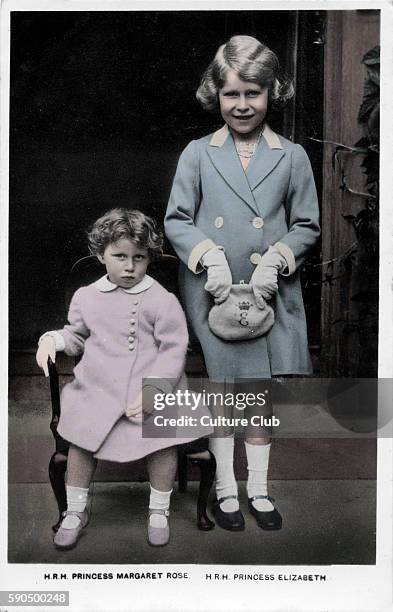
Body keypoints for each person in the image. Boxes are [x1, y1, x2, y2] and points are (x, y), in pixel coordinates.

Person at [164, 35, 320, 531]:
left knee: (258, 395)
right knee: (225, 393)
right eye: (232, 94)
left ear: (272, 92)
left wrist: (279, 257)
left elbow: (307, 226)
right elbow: (178, 219)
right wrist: (207, 257)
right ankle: (226, 491)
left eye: (253, 93)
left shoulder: (292, 156)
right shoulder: (197, 153)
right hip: (216, 291)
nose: (243, 105)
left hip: (267, 291)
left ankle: (259, 489)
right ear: (216, 94)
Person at [36, 208, 192, 549]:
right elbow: (75, 336)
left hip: (151, 384)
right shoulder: (87, 296)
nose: (129, 266)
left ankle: (159, 510)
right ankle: (76, 510)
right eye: (119, 256)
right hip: (100, 385)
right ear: (100, 254)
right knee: (81, 434)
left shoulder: (162, 300)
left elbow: (174, 348)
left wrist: (156, 389)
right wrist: (54, 339)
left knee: (163, 435)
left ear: (149, 258)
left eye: (139, 258)